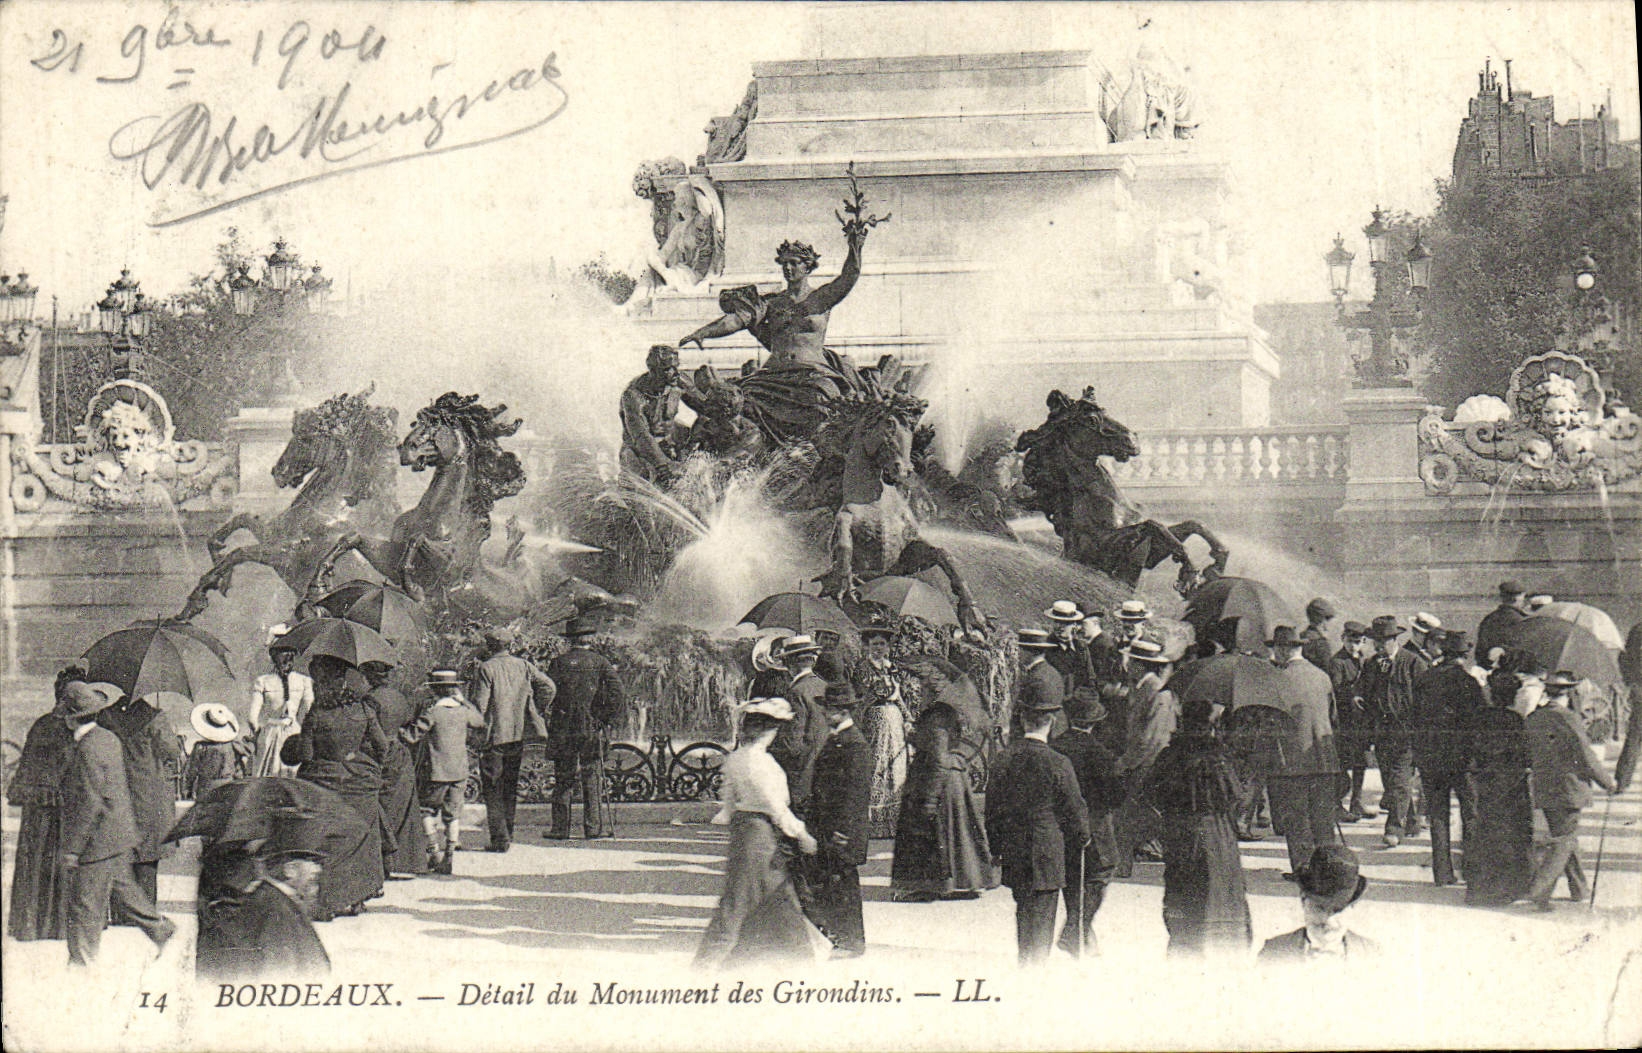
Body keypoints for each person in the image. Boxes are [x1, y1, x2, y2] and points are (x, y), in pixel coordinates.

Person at [694, 698, 820, 970]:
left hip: (745, 831)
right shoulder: (759, 762)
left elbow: (727, 802)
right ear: (770, 730)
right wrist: (801, 834)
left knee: (778, 899)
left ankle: (793, 960)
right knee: (742, 903)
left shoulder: (736, 758)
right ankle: (704, 967)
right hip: (760, 833)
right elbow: (774, 805)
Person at [56, 680, 176, 965]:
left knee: (85, 905)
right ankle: (161, 929)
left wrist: (72, 848)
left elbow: (89, 802)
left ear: (72, 718)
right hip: (121, 834)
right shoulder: (106, 739)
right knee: (126, 893)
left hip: (99, 841)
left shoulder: (88, 747)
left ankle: (82, 965)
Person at [985, 690, 1089, 965]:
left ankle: (1025, 963)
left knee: (1024, 910)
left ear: (1022, 719)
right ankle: (1035, 972)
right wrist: (1083, 836)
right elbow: (1074, 808)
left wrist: (996, 848)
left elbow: (992, 811)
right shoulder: (1058, 762)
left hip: (1015, 847)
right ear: (1052, 722)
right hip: (1047, 847)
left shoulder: (1004, 759)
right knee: (1044, 913)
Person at [1145, 698, 1252, 958]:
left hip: (1180, 830)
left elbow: (1150, 791)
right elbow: (1236, 797)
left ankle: (1184, 940)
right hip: (1216, 831)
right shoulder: (1217, 757)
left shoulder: (1170, 754)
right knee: (1218, 886)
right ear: (1209, 724)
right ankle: (1222, 943)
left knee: (1183, 884)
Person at [293, 654, 391, 915]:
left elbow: (305, 755)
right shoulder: (364, 710)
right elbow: (383, 748)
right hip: (359, 783)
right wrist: (360, 759)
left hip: (322, 780)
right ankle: (357, 897)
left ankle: (325, 902)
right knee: (361, 842)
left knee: (325, 841)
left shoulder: (317, 712)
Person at [1523, 671, 1618, 911]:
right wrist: (1608, 782)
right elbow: (1586, 756)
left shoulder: (1534, 718)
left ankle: (1579, 888)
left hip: (1545, 787)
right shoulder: (1569, 718)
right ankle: (1540, 892)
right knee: (1564, 841)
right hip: (1569, 788)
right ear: (1569, 693)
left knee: (1564, 836)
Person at [890, 698, 995, 902]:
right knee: (956, 832)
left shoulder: (937, 718)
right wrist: (914, 735)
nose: (922, 690)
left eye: (926, 687)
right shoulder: (942, 714)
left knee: (939, 832)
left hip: (938, 779)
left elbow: (939, 758)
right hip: (949, 778)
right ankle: (960, 882)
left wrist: (930, 797)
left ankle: (933, 886)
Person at [7, 667, 84, 941]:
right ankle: (58, 927)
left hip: (37, 808)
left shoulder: (41, 723)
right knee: (58, 862)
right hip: (58, 808)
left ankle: (30, 926)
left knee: (37, 862)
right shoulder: (73, 731)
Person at [1263, 626, 1343, 874]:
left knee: (1297, 820)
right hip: (1324, 757)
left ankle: (1304, 869)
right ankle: (1329, 869)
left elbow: (1270, 721)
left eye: (1276, 649)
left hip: (1291, 761)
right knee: (1322, 819)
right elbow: (1333, 717)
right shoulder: (1322, 676)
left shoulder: (1277, 679)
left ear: (1283, 649)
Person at [1051, 686, 1123, 956]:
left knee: (1073, 875)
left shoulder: (1055, 747)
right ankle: (1077, 930)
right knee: (1101, 872)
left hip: (1063, 823)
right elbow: (1116, 796)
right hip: (1096, 824)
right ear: (1095, 722)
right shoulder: (1101, 754)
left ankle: (1079, 931)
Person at [803, 682, 874, 958]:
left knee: (844, 885)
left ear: (845, 711)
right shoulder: (837, 739)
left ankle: (852, 942)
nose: (825, 712)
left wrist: (843, 831)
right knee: (831, 883)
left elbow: (856, 795)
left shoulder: (854, 744)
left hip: (842, 830)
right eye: (825, 707)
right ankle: (837, 937)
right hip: (830, 827)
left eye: (831, 708)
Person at [97, 687, 180, 918]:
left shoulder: (106, 717)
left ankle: (121, 916)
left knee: (118, 860)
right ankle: (144, 917)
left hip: (116, 794)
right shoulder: (155, 717)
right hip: (149, 801)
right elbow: (171, 752)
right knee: (146, 861)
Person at [469, 629, 555, 852]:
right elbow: (549, 687)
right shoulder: (523, 665)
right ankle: (508, 831)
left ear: (490, 645)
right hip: (517, 734)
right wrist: (535, 709)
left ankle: (499, 839)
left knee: (493, 787)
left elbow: (480, 705)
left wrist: (470, 729)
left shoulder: (486, 668)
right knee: (509, 784)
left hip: (493, 736)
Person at [1412, 630, 1485, 887]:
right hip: (1463, 761)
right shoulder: (1469, 684)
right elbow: (1480, 723)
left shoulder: (1424, 679)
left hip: (1431, 759)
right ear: (1465, 656)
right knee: (1471, 815)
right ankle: (1474, 871)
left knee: (1438, 815)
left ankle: (1442, 873)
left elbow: (1415, 719)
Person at [196, 845, 331, 980]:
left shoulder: (279, 901)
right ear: (290, 869)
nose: (318, 869)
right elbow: (277, 972)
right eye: (312, 861)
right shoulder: (274, 907)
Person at [545, 617, 626, 840]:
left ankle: (560, 829)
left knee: (563, 779)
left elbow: (546, 691)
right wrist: (604, 717)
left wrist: (548, 713)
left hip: (564, 728)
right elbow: (617, 693)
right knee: (592, 777)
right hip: (591, 727)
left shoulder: (558, 663)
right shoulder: (600, 663)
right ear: (589, 639)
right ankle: (593, 828)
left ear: (570, 641)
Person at [1461, 667, 1535, 906]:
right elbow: (1525, 755)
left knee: (1484, 833)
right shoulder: (1514, 721)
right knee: (1511, 834)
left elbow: (1471, 750)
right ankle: (1509, 886)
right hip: (1511, 785)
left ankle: (1480, 887)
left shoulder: (1479, 718)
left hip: (1485, 782)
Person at [402, 670, 485, 874]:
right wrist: (464, 701)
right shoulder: (463, 711)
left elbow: (412, 736)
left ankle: (434, 851)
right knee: (453, 814)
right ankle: (449, 855)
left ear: (434, 690)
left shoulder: (433, 713)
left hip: (436, 771)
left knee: (426, 810)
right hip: (460, 770)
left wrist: (398, 730)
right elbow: (480, 721)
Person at [1356, 615, 1428, 847]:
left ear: (1394, 640)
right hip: (1382, 733)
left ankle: (1394, 828)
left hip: (1407, 733)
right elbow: (1364, 691)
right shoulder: (1371, 665)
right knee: (1390, 780)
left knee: (1399, 779)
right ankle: (1413, 820)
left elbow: (1425, 699)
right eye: (1376, 641)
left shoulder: (1413, 663)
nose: (1379, 646)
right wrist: (1357, 696)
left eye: (1384, 641)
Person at [1113, 630, 1182, 876]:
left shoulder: (1157, 693)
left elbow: (1151, 738)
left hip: (1148, 764)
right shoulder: (1143, 687)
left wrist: (1126, 762)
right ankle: (1123, 863)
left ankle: (1122, 866)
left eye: (1131, 661)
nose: (1127, 665)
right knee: (1131, 813)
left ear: (1140, 666)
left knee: (1129, 814)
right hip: (1141, 761)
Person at [359, 659, 428, 877]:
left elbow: (369, 729)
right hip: (400, 751)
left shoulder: (370, 699)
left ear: (371, 676)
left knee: (383, 804)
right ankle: (406, 863)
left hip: (380, 753)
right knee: (404, 805)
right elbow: (407, 720)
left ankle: (386, 861)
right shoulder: (399, 697)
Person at [1258, 845, 1380, 962]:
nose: (1328, 921)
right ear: (1303, 900)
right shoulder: (1273, 953)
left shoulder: (1374, 956)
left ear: (1352, 907)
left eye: (1338, 910)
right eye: (1319, 908)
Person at [854, 619, 910, 839]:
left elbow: (899, 698)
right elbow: (861, 698)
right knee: (878, 764)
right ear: (867, 646)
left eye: (883, 645)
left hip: (894, 720)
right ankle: (874, 823)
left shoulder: (892, 668)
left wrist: (908, 717)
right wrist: (875, 693)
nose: (879, 648)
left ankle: (893, 822)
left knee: (896, 765)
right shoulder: (863, 668)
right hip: (875, 719)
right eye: (875, 644)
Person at [619, 344, 705, 483]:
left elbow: (706, 408)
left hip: (671, 444)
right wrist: (664, 464)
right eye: (667, 369)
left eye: (676, 366)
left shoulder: (678, 382)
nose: (675, 372)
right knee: (645, 487)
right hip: (641, 452)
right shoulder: (633, 395)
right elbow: (641, 436)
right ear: (653, 370)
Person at [772, 634, 828, 813]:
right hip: (823, 763)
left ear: (791, 664)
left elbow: (793, 740)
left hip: (803, 767)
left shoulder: (796, 691)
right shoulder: (823, 685)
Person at [249, 626, 314, 778]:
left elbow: (252, 719)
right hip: (294, 734)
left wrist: (259, 733)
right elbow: (308, 712)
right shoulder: (304, 681)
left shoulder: (262, 681)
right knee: (293, 778)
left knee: (265, 778)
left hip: (270, 734)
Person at [1330, 621, 1374, 822]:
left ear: (1363, 641)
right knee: (1342, 764)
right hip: (1345, 722)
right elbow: (1336, 689)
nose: (1353, 646)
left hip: (1360, 722)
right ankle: (1336, 805)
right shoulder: (1338, 662)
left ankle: (1356, 802)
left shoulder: (1363, 660)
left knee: (1360, 763)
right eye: (1349, 641)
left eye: (1357, 642)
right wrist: (1353, 696)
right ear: (1342, 639)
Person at [184, 703, 250, 800]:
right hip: (228, 787)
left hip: (206, 788)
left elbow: (191, 770)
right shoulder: (233, 745)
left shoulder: (200, 747)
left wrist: (187, 789)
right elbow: (239, 770)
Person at [1016, 628, 1066, 738]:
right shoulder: (1052, 672)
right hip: (1054, 733)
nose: (1018, 654)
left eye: (1020, 650)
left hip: (1038, 734)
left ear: (1028, 652)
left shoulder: (1035, 678)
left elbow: (1028, 714)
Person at [1616, 620, 1642, 791]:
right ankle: (1621, 781)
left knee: (1634, 736)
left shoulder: (1637, 630)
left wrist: (1630, 682)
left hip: (1638, 688)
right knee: (1635, 736)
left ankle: (1621, 781)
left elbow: (1623, 658)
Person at [1476, 580, 1530, 659]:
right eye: (1523, 597)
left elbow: (1480, 649)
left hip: (1491, 667)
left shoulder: (1489, 618)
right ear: (1517, 598)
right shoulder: (1522, 620)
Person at [1300, 598, 1338, 672]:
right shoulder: (1321, 644)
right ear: (1323, 621)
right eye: (1329, 620)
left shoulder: (1300, 637)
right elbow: (1329, 672)